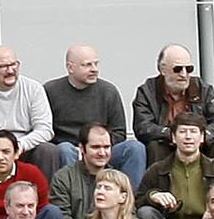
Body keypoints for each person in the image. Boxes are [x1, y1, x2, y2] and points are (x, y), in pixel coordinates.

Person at [46, 44, 148, 183]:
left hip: (103, 148)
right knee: (64, 150)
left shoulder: (108, 91)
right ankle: (73, 197)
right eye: (87, 65)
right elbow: (46, 130)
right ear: (70, 67)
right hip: (71, 149)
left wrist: (99, 147)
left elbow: (119, 131)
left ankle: (129, 200)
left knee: (135, 148)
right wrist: (82, 149)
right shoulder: (50, 91)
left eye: (96, 64)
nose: (94, 69)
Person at [0, 45, 62, 177]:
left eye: (13, 64)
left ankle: (46, 197)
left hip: (24, 146)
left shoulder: (34, 89)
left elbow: (45, 129)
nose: (10, 70)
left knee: (49, 150)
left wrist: (19, 145)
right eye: (3, 66)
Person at [131, 44, 214, 165]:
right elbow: (142, 127)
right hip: (166, 143)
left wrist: (201, 136)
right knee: (155, 146)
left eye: (189, 69)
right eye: (178, 69)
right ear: (163, 70)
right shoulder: (147, 91)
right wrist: (175, 135)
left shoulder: (203, 89)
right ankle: (159, 184)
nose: (184, 74)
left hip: (200, 144)